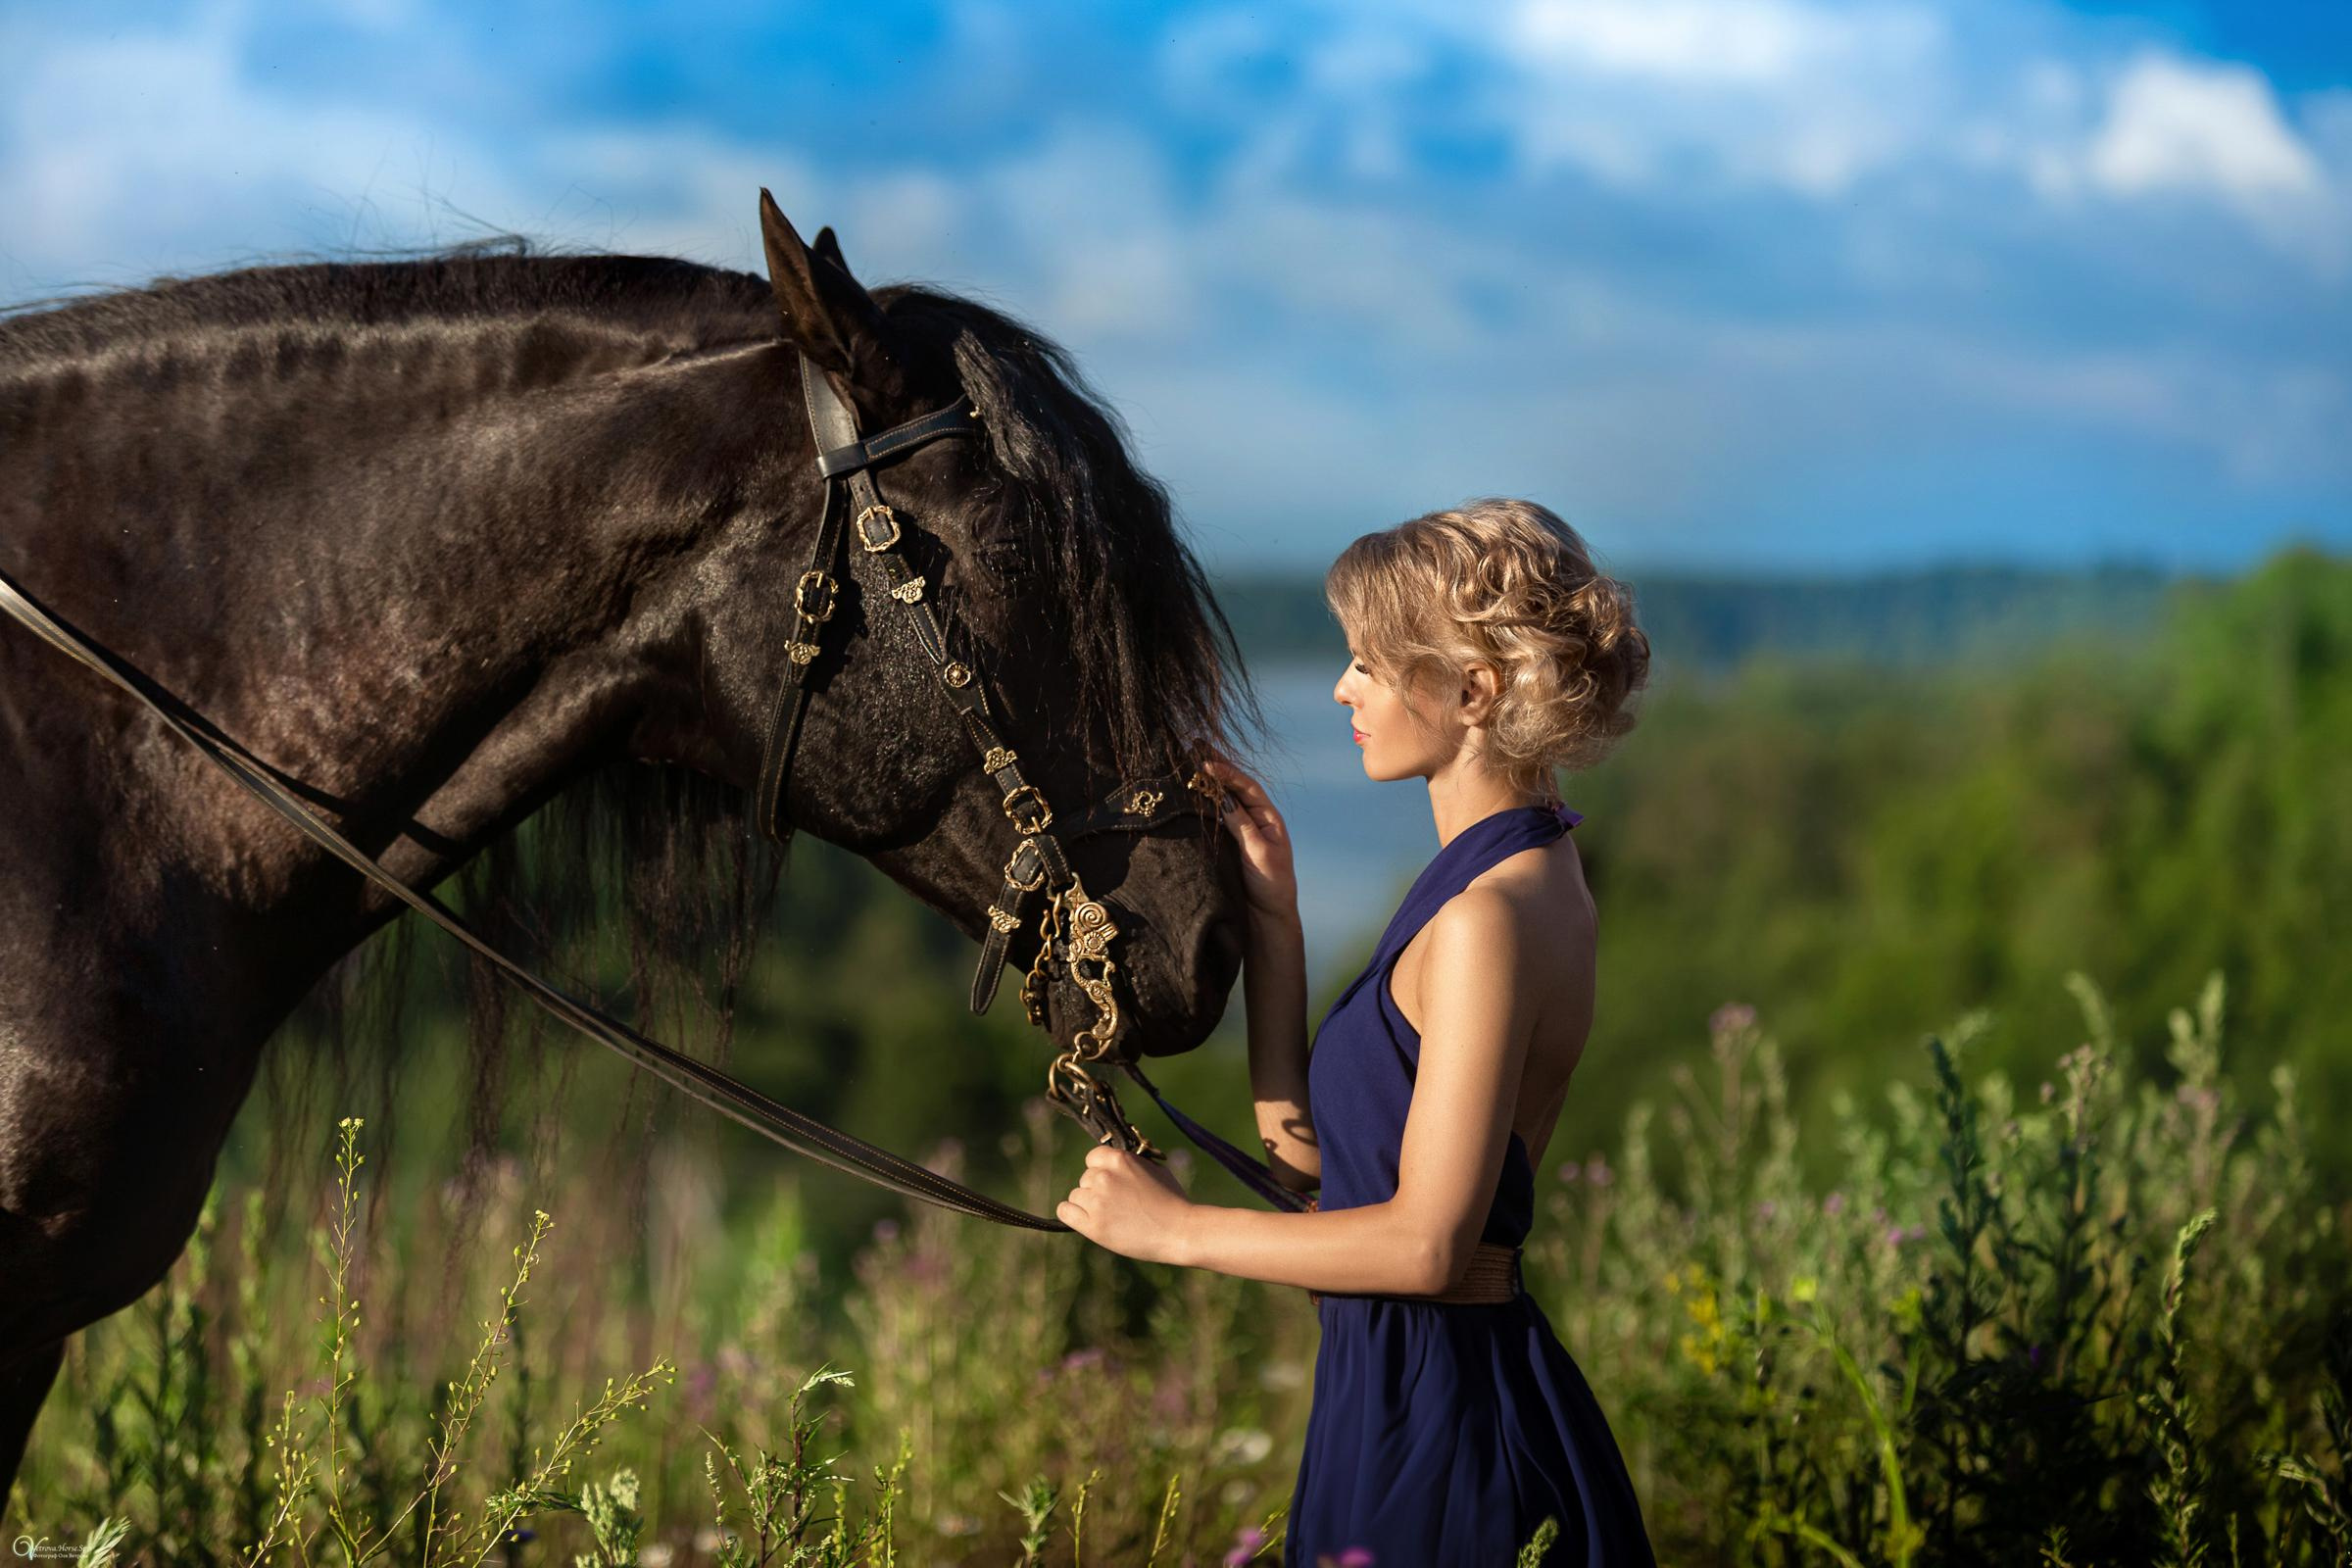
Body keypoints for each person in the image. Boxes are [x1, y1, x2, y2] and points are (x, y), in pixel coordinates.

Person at [1056, 497, 1658, 1564]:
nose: (1343, 687)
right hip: (1402, 1389)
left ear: (1472, 689)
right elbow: (1326, 1178)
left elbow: (1422, 1246)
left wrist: (1173, 1233)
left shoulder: (1482, 919)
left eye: (1370, 664)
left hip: (1443, 1427)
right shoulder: (1527, 868)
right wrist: (1276, 922)